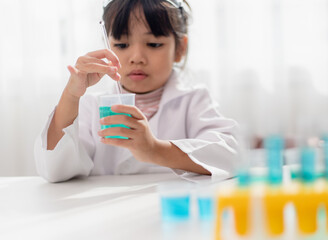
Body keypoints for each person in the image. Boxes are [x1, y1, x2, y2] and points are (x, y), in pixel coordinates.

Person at [34, 0, 241, 183]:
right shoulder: (91, 105)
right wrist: (71, 96)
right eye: (122, 44)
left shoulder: (194, 100)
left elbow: (231, 155)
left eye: (153, 44)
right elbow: (55, 170)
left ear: (179, 49)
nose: (136, 57)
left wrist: (156, 149)